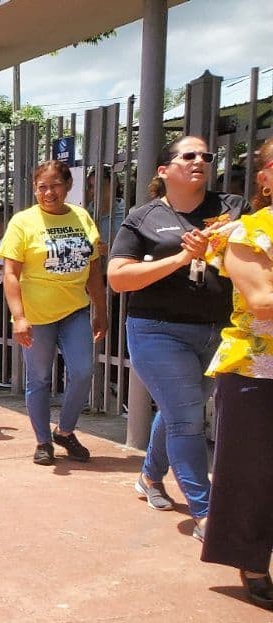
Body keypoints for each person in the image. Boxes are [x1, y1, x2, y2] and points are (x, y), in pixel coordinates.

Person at [107, 136, 249, 538]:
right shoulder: (143, 218)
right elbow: (118, 277)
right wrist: (182, 258)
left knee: (179, 411)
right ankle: (207, 515)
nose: (199, 161)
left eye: (206, 155)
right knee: (187, 418)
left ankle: (150, 478)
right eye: (188, 156)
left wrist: (219, 244)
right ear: (164, 170)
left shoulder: (233, 208)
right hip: (157, 330)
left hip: (220, 330)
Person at [200, 137, 273, 610]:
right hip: (256, 370)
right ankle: (251, 561)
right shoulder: (247, 234)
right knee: (253, 477)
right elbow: (262, 303)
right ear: (265, 177)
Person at [0, 160, 107, 466]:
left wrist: (101, 310)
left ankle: (65, 430)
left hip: (74, 310)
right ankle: (43, 441)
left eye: (56, 185)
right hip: (36, 314)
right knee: (40, 379)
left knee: (84, 371)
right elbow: (10, 273)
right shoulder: (23, 222)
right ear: (34, 189)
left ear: (68, 186)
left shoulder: (82, 217)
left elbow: (94, 267)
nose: (49, 192)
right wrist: (19, 316)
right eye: (42, 186)